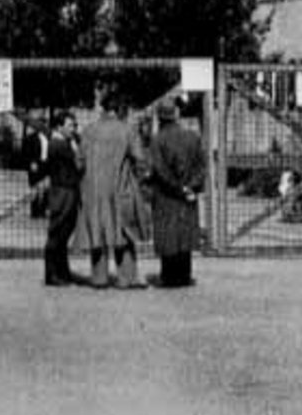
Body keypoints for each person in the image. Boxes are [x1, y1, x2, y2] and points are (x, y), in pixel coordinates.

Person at [75, 94, 150, 290]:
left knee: (97, 231)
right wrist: (138, 180)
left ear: (103, 109)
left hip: (93, 189)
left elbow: (79, 162)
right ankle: (127, 278)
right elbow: (140, 159)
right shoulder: (127, 130)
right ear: (120, 110)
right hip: (120, 187)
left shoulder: (89, 130)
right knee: (123, 232)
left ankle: (99, 278)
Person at [148, 99, 206, 288]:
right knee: (185, 234)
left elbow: (160, 170)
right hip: (188, 194)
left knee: (168, 235)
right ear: (176, 114)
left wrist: (177, 188)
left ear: (159, 116)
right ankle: (184, 275)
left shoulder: (157, 140)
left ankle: (169, 276)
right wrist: (191, 186)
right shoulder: (192, 137)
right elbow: (201, 166)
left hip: (166, 195)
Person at [43, 111, 83, 287]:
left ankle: (62, 272)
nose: (73, 129)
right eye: (70, 125)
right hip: (63, 192)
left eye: (74, 125)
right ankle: (52, 274)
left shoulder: (61, 143)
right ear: (59, 127)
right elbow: (79, 164)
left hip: (65, 191)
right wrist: (75, 147)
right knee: (58, 233)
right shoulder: (59, 145)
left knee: (63, 233)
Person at [22, 111, 51, 218]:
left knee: (46, 189)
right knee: (35, 189)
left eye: (45, 123)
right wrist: (31, 163)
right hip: (35, 165)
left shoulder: (49, 138)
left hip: (46, 165)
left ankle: (42, 210)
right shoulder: (31, 138)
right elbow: (25, 153)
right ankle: (34, 211)